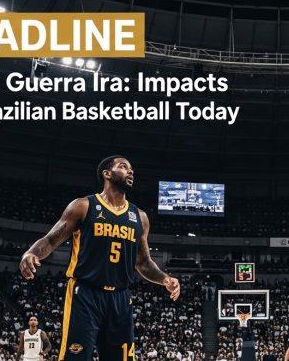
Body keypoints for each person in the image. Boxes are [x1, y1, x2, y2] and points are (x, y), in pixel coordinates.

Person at [19, 155, 180, 361]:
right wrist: (31, 252)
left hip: (121, 298)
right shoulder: (83, 206)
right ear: (107, 174)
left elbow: (143, 262)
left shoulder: (140, 217)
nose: (130, 171)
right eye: (123, 167)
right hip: (85, 294)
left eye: (131, 168)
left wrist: (165, 279)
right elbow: (51, 240)